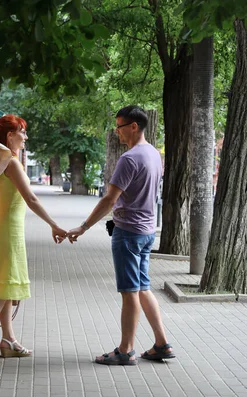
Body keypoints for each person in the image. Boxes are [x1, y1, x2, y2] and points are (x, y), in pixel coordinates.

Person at [66, 106, 175, 365]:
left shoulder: (130, 158)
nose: (117, 133)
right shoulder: (153, 154)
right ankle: (161, 343)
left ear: (134, 126)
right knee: (143, 288)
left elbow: (109, 199)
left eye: (120, 127)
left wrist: (83, 227)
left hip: (128, 233)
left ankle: (125, 350)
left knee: (130, 292)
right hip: (147, 232)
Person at [0, 115, 67, 362]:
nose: (26, 137)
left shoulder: (3, 161)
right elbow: (31, 199)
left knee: (7, 286)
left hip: (5, 229)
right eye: (22, 132)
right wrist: (54, 225)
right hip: (7, 231)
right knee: (2, 288)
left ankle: (8, 340)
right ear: (10, 136)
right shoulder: (10, 163)